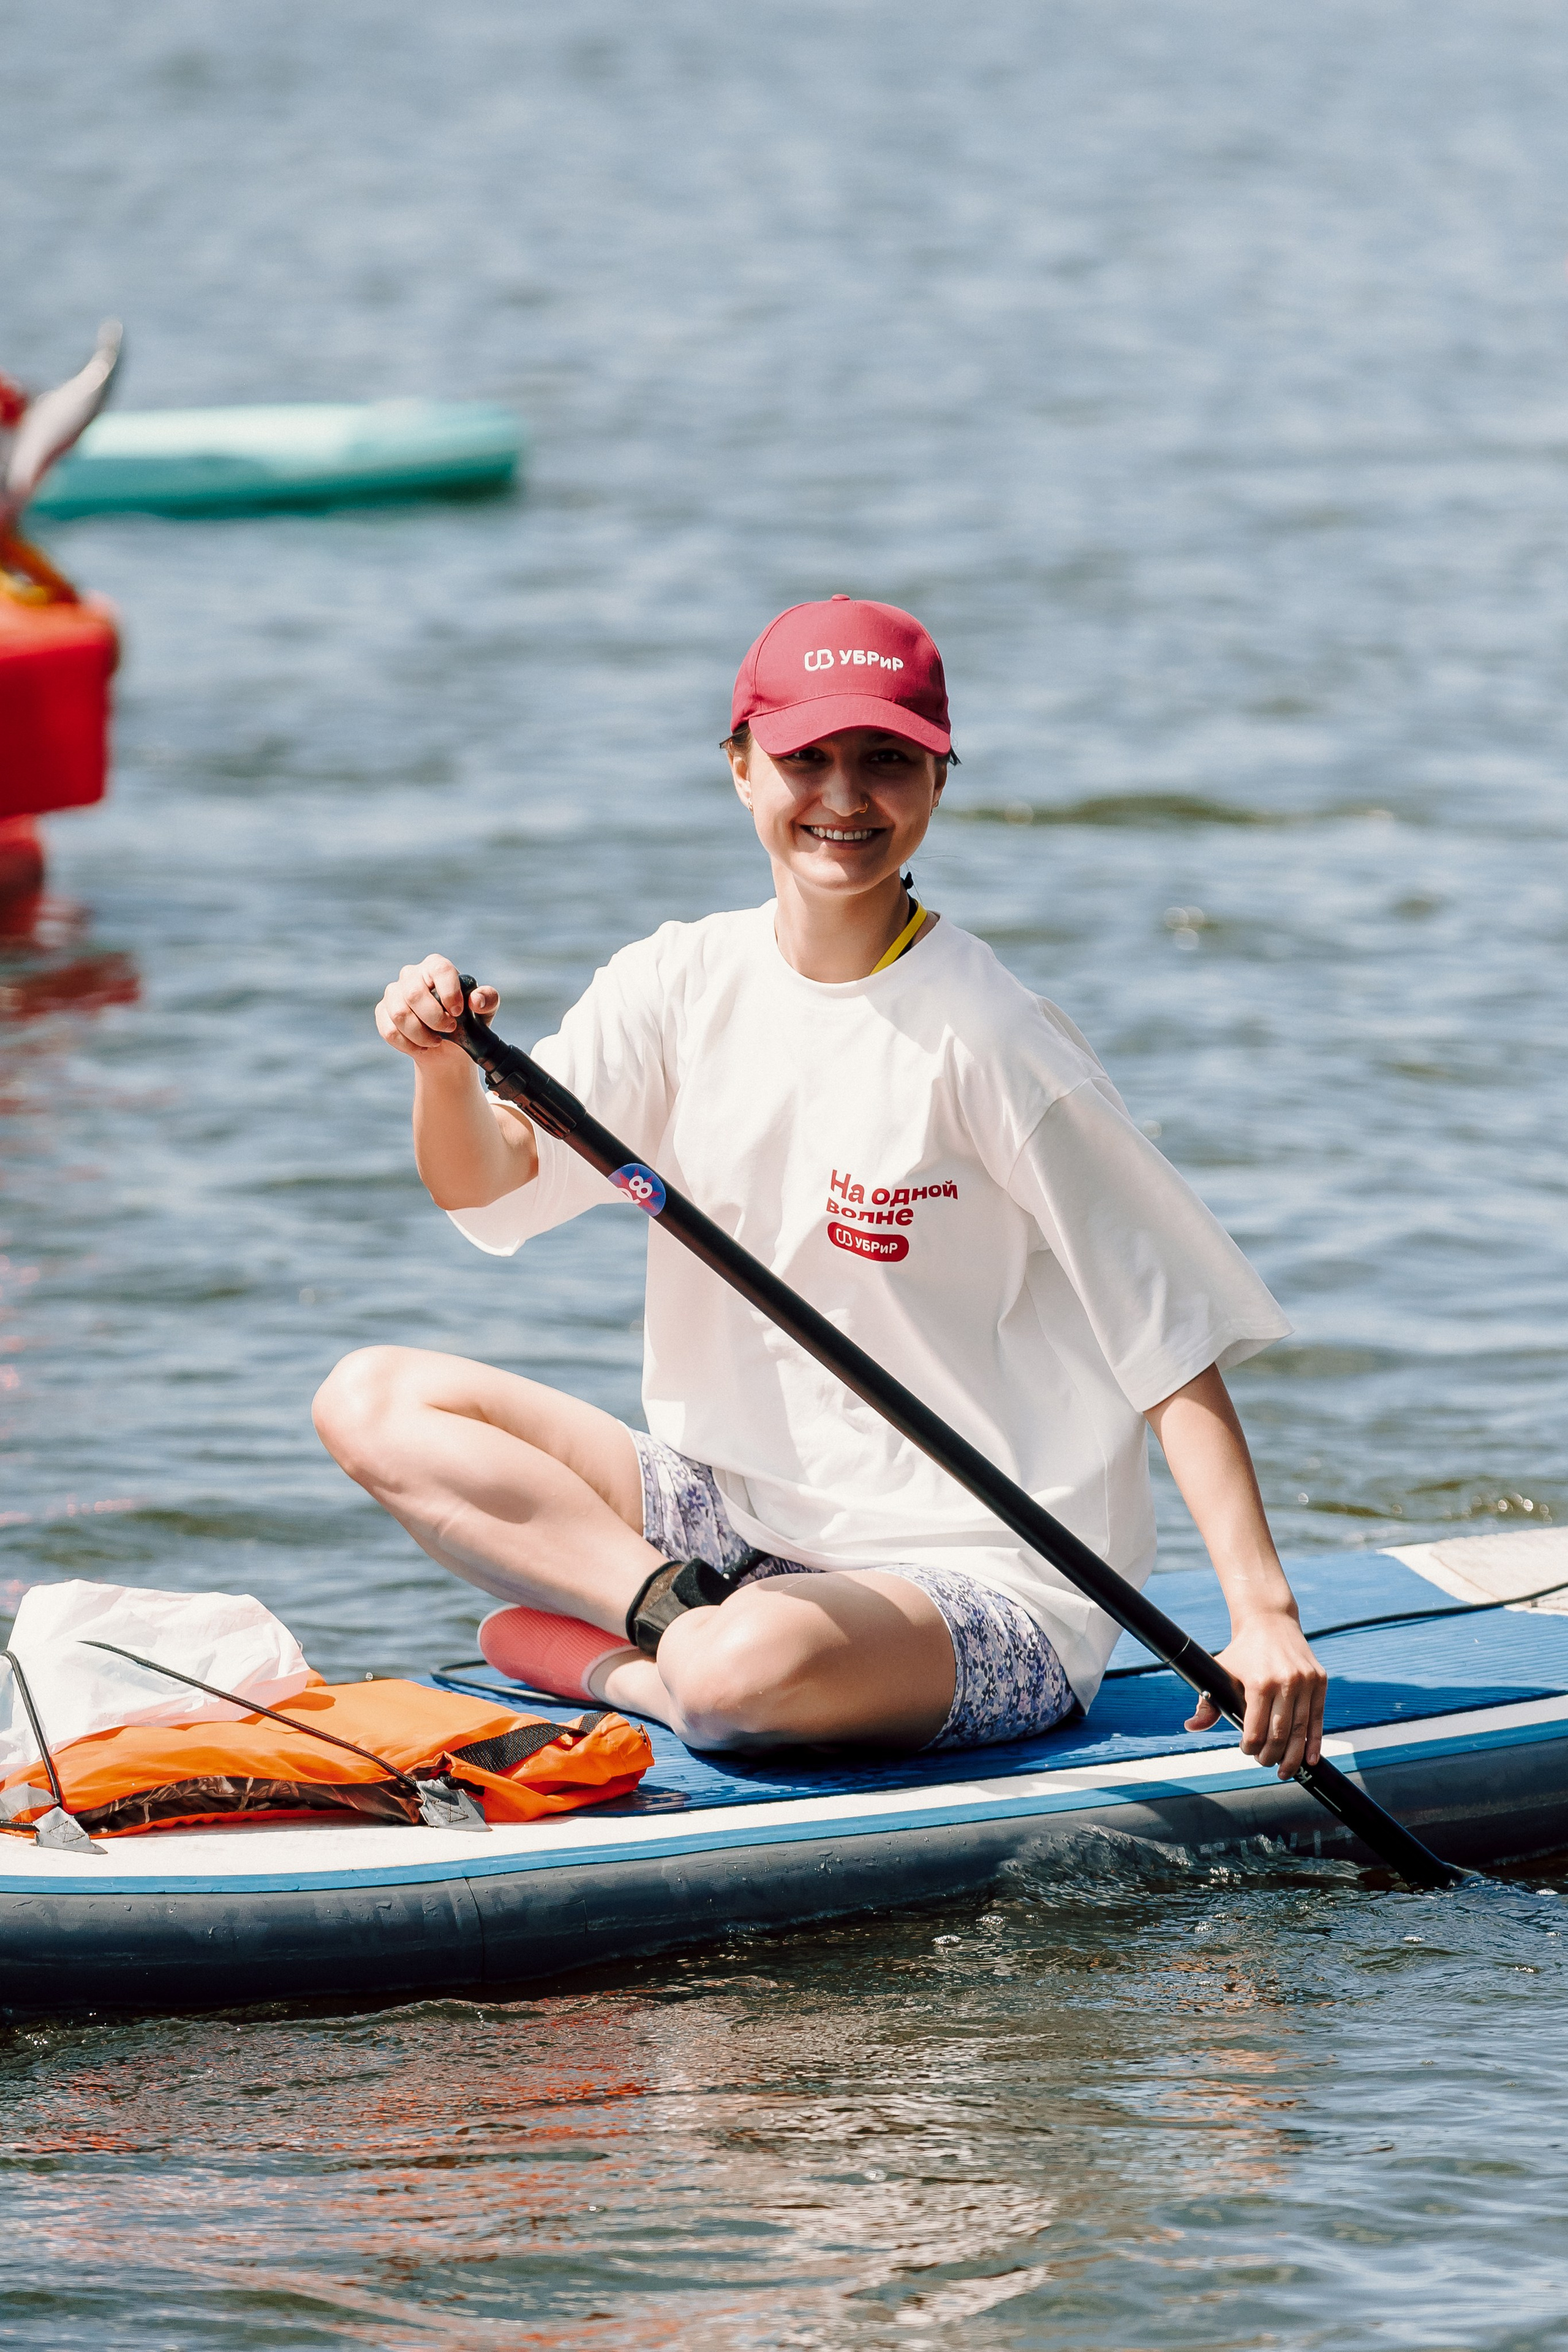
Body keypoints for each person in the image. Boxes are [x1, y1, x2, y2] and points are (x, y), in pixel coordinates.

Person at [314, 595, 1327, 1774]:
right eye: (807, 759)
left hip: (985, 1577)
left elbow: (1168, 1338)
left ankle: (641, 1670)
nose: (845, 797)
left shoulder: (995, 1038)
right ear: (742, 769)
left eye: (886, 759)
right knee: (371, 1397)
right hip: (731, 1515)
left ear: (938, 781)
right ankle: (666, 1619)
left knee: (738, 1677)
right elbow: (490, 1188)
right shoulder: (677, 980)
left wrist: (1264, 1617)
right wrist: (441, 1071)